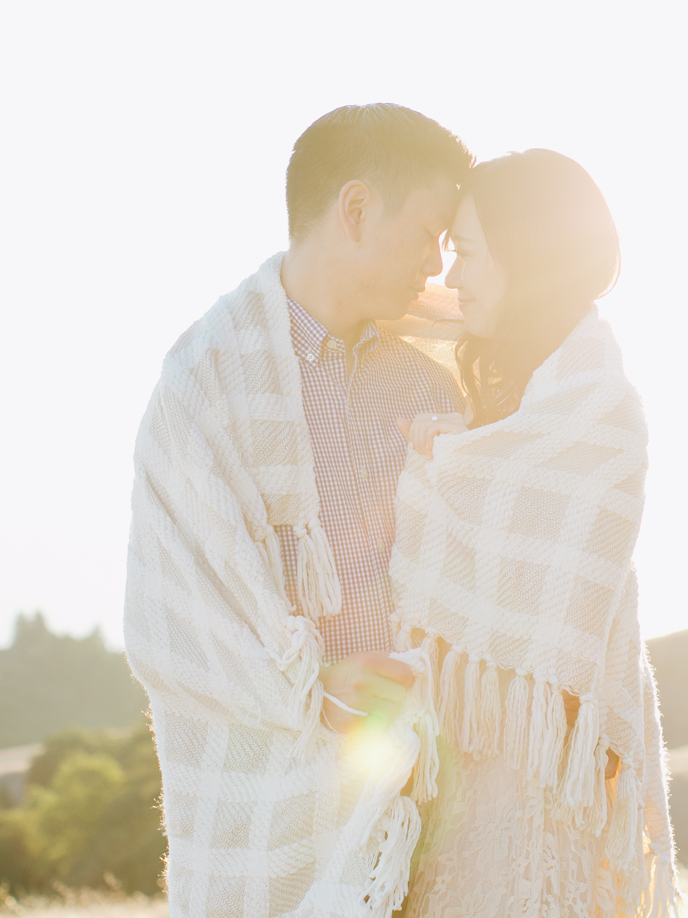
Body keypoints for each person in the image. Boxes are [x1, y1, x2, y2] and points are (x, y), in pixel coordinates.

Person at [125, 103, 474, 917]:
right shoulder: (203, 385)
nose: (436, 267)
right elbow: (173, 623)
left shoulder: (431, 379)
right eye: (428, 233)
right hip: (290, 808)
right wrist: (312, 685)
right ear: (355, 210)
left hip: (437, 789)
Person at [387, 150, 688, 917]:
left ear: (527, 259)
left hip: (546, 764)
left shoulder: (597, 406)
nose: (453, 277)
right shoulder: (512, 389)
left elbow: (515, 510)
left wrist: (442, 458)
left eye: (470, 253)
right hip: (470, 761)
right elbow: (386, 309)